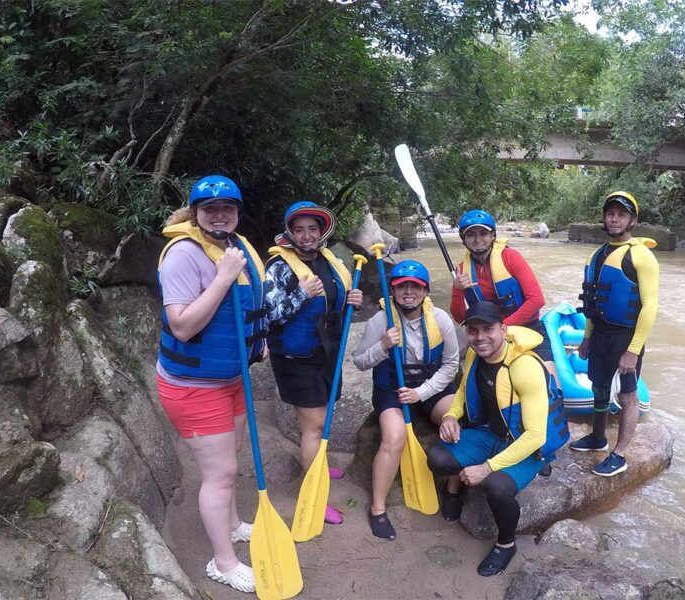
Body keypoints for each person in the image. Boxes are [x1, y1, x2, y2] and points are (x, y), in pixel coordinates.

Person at [156, 175, 266, 593]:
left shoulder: (235, 246)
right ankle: (223, 563)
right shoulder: (184, 254)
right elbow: (182, 326)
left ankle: (234, 523)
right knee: (219, 475)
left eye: (228, 208)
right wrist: (222, 278)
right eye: (210, 208)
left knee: (230, 462)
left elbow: (249, 304)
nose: (220, 214)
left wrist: (262, 341)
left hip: (231, 377)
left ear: (237, 212)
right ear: (195, 213)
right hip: (192, 386)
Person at [426, 301, 570, 576]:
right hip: (489, 433)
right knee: (437, 457)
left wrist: (486, 468)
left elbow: (535, 436)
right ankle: (458, 486)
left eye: (488, 329)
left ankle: (506, 544)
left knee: (496, 487)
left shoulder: (524, 366)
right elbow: (461, 393)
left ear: (503, 329)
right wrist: (451, 417)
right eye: (473, 331)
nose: (480, 338)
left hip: (527, 445)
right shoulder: (474, 356)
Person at [263, 201, 363, 525]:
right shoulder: (279, 267)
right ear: (290, 233)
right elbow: (268, 316)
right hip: (295, 359)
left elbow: (336, 304)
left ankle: (317, 464)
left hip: (325, 352)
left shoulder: (329, 263)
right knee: (314, 425)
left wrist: (353, 302)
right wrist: (301, 293)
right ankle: (314, 495)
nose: (307, 235)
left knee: (326, 416)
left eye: (313, 228)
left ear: (321, 232)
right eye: (300, 229)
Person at [353, 260, 460, 540]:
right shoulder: (380, 320)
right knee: (394, 437)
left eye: (415, 287)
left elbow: (450, 365)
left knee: (456, 423)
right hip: (392, 390)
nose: (409, 292)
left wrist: (421, 393)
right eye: (402, 287)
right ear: (393, 291)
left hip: (430, 388)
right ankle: (378, 509)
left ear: (425, 291)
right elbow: (360, 362)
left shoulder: (440, 319)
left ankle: (453, 490)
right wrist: (383, 346)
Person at [570, 191, 659, 477]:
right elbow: (593, 303)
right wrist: (586, 336)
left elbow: (649, 307)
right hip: (600, 334)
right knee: (599, 386)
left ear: (632, 220)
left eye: (621, 214)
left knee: (628, 396)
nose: (615, 218)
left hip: (625, 336)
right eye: (611, 213)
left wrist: (633, 349)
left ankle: (619, 454)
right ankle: (597, 437)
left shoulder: (641, 256)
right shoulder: (596, 255)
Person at [449, 209, 557, 383]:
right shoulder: (462, 270)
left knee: (552, 383)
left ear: (493, 236)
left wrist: (503, 327)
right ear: (464, 239)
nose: (477, 240)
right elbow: (460, 317)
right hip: (489, 336)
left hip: (529, 327)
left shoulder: (510, 257)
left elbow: (537, 300)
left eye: (483, 233)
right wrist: (458, 290)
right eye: (471, 235)